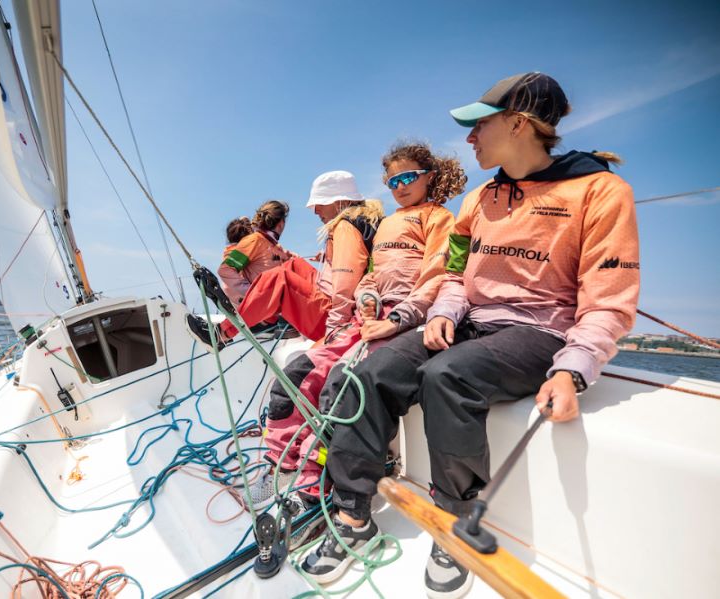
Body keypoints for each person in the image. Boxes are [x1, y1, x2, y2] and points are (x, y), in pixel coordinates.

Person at [301, 72, 640, 596]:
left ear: (519, 123)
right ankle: (353, 515)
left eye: (479, 125)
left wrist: (575, 368)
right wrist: (443, 311)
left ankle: (453, 524)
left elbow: (609, 297)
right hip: (468, 321)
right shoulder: (480, 198)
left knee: (448, 375)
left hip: (538, 330)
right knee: (369, 372)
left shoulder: (600, 191)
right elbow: (458, 274)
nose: (468, 139)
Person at [248, 143, 465, 522]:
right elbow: (370, 275)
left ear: (430, 176)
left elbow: (438, 274)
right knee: (294, 375)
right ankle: (282, 465)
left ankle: (313, 486)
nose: (399, 185)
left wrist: (398, 319)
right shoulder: (388, 224)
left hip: (401, 320)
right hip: (366, 320)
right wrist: (366, 298)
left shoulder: (438, 218)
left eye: (408, 177)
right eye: (392, 179)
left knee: (340, 388)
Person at [186, 171, 383, 349]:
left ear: (339, 201)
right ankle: (260, 309)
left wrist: (335, 332)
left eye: (320, 203)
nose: (315, 211)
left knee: (279, 278)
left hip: (335, 320)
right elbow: (227, 268)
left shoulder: (345, 229)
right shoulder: (358, 224)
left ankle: (221, 334)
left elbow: (344, 285)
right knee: (293, 265)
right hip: (335, 307)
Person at [217, 203, 290, 306]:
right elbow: (225, 270)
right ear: (281, 223)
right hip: (260, 309)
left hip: (265, 305)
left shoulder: (268, 244)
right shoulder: (254, 241)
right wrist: (254, 292)